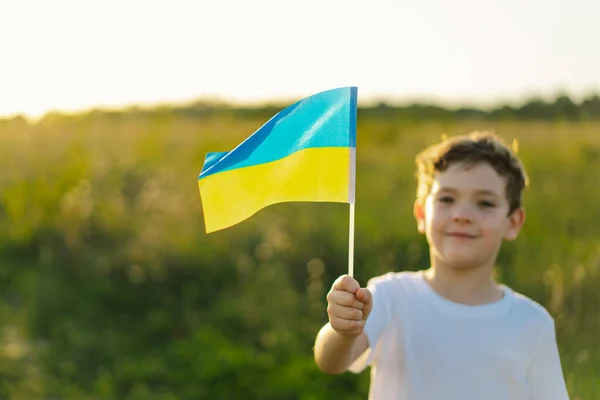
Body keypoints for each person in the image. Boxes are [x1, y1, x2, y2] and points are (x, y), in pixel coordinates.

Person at [313, 131, 570, 400]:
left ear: (513, 222)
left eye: (485, 203)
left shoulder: (532, 324)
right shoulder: (389, 297)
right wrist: (342, 329)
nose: (462, 216)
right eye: (446, 199)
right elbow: (331, 361)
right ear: (422, 214)